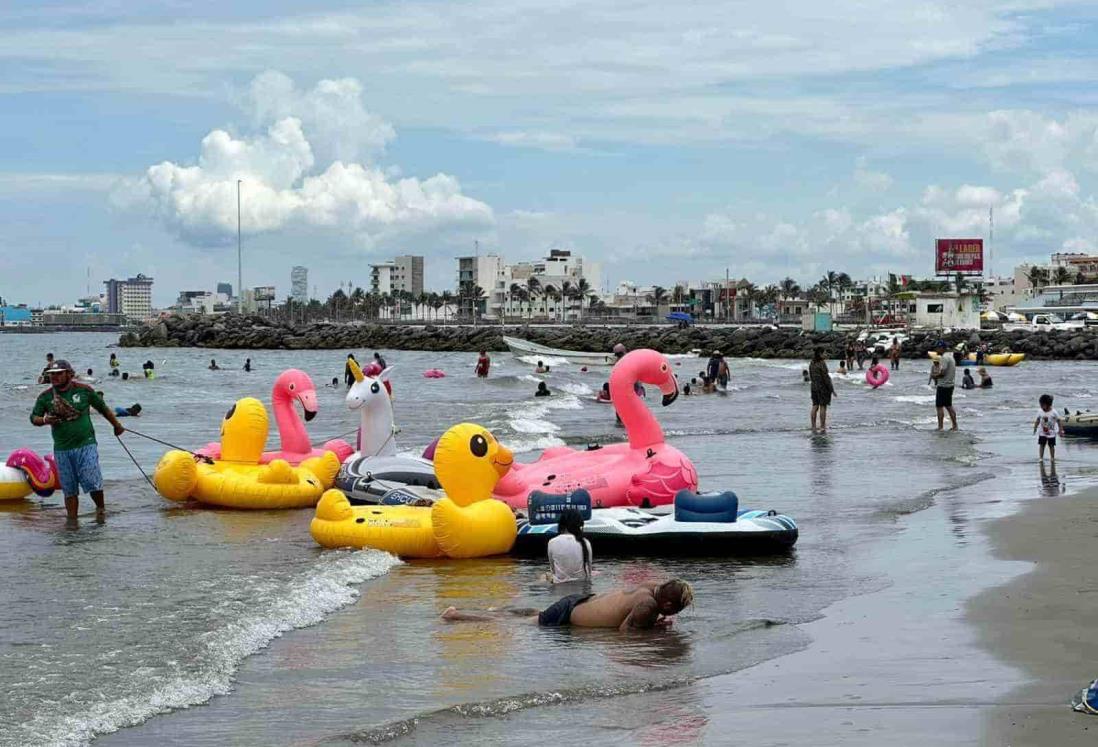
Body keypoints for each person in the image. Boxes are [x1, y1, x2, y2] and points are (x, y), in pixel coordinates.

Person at [29, 359, 125, 521]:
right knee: (69, 487)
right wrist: (46, 420)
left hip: (86, 443)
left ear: (69, 374)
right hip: (62, 448)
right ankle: (72, 521)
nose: (55, 377)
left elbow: (103, 408)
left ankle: (100, 509)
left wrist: (117, 425)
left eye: (59, 374)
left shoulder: (84, 391)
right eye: (52, 375)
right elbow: (34, 418)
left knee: (91, 479)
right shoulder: (45, 397)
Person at [442, 578, 694, 630]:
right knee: (524, 624)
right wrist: (653, 631)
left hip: (578, 602)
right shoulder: (648, 606)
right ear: (669, 606)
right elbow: (625, 634)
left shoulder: (649, 588)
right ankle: (456, 616)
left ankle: (497, 607)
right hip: (569, 615)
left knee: (536, 612)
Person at [545, 508, 592, 583]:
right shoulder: (586, 542)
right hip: (582, 588)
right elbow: (589, 571)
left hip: (559, 589)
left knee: (544, 576)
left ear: (562, 523)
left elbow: (553, 571)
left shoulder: (552, 542)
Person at [931, 341, 957, 431]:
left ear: (942, 348)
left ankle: (940, 427)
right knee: (949, 406)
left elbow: (943, 373)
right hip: (950, 384)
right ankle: (955, 426)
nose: (936, 350)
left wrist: (935, 376)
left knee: (939, 406)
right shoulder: (950, 357)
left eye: (937, 348)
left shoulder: (944, 358)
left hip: (943, 385)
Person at [809, 347, 836, 431]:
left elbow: (811, 375)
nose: (826, 354)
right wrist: (832, 389)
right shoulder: (822, 363)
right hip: (822, 387)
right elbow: (826, 377)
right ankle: (822, 426)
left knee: (815, 406)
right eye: (824, 353)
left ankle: (813, 426)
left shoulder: (812, 363)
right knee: (823, 406)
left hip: (813, 386)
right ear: (820, 354)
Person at [1034, 393, 1063, 462]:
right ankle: (1041, 458)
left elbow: (1059, 421)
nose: (1041, 406)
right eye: (1040, 405)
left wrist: (1060, 430)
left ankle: (1052, 458)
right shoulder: (1040, 411)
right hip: (1042, 432)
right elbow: (1037, 420)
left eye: (1042, 405)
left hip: (1051, 433)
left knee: (1051, 445)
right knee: (1042, 445)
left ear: (1048, 405)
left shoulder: (1054, 412)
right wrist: (1035, 427)